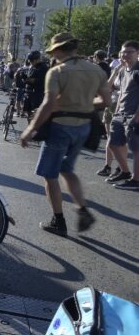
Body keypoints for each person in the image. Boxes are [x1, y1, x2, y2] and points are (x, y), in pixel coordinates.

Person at [20, 32, 111, 236]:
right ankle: (82, 209)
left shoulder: (58, 72)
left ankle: (58, 221)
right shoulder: (96, 70)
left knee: (49, 175)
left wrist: (30, 129)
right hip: (84, 126)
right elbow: (106, 101)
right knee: (67, 169)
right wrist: (84, 104)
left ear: (59, 50)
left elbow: (48, 104)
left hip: (61, 126)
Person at [104, 40, 139, 190]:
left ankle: (136, 180)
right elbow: (118, 91)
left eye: (129, 52)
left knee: (136, 149)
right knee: (113, 143)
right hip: (120, 113)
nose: (125, 55)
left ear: (137, 54)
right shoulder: (124, 70)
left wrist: (137, 117)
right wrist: (117, 111)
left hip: (134, 114)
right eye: (123, 52)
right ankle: (125, 172)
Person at [24, 51, 48, 118]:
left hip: (37, 94)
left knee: (34, 114)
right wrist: (25, 78)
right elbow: (30, 77)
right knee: (28, 113)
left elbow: (40, 81)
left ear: (35, 60)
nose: (30, 63)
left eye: (32, 61)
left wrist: (29, 79)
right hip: (29, 92)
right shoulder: (33, 67)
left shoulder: (43, 67)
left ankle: (34, 127)